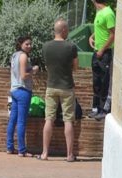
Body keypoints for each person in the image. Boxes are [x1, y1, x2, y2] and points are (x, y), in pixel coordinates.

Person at [40, 19, 79, 162]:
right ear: (63, 30)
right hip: (67, 87)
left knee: (48, 119)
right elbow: (76, 67)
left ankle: (45, 153)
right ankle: (69, 155)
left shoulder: (45, 47)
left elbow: (47, 65)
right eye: (67, 29)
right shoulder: (71, 47)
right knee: (68, 120)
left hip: (51, 86)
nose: (68, 32)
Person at [6, 36, 39, 157]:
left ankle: (10, 147)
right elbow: (24, 75)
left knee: (13, 120)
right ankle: (22, 150)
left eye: (30, 44)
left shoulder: (14, 55)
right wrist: (34, 70)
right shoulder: (24, 56)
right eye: (27, 44)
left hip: (14, 89)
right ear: (21, 44)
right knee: (21, 121)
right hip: (23, 90)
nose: (29, 46)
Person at [88, 0, 115, 120]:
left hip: (104, 54)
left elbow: (113, 34)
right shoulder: (99, 12)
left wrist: (102, 50)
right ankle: (96, 108)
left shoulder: (108, 13)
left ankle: (103, 109)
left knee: (104, 82)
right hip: (97, 52)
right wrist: (92, 36)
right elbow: (101, 28)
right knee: (96, 81)